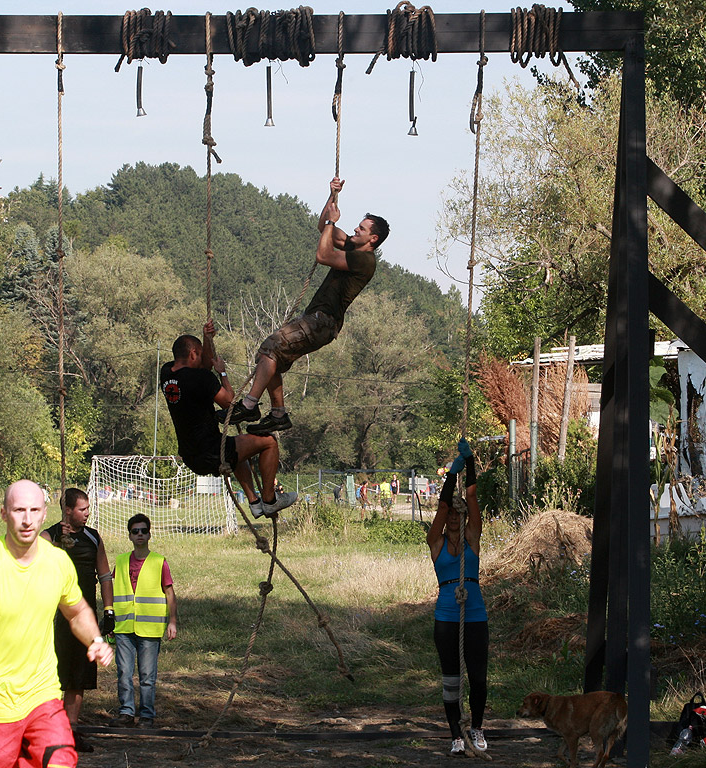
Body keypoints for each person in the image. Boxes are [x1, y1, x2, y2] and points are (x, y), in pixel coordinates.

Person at [0, 480, 113, 768]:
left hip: (43, 696)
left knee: (61, 762)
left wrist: (96, 641)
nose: (27, 519)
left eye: (34, 510)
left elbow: (76, 612)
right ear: (3, 514)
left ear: (44, 512)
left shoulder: (57, 562)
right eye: (18, 510)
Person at [226, 177, 389, 435]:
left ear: (373, 238)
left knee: (270, 347)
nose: (355, 230)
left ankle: (249, 404)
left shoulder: (364, 260)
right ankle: (278, 415)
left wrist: (334, 222)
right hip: (318, 320)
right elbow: (321, 226)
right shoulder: (352, 248)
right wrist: (331, 196)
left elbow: (322, 255)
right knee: (270, 360)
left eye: (361, 229)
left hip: (323, 321)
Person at [160, 322, 297, 518]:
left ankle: (254, 503)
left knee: (237, 452)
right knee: (269, 442)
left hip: (190, 456)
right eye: (199, 354)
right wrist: (222, 372)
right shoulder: (202, 379)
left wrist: (207, 339)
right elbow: (229, 402)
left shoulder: (166, 373)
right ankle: (270, 500)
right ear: (193, 354)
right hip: (213, 451)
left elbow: (202, 367)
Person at [426, 439, 489, 756]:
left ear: (463, 517)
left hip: (475, 615)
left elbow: (473, 497)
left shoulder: (473, 541)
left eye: (457, 513)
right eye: (449, 513)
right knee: (451, 680)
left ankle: (476, 729)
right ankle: (455, 735)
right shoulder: (435, 544)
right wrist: (452, 473)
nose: (452, 517)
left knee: (478, 678)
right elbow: (440, 507)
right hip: (446, 618)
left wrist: (472, 463)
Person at [41, 488, 115, 752]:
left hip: (84, 616)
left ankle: (70, 732)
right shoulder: (49, 536)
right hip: (54, 618)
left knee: (79, 676)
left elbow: (105, 576)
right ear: (68, 510)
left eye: (87, 509)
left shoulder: (93, 538)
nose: (87, 514)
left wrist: (108, 611)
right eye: (82, 509)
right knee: (52, 676)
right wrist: (55, 542)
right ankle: (47, 731)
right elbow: (31, 561)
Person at [110, 514, 176, 728]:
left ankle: (147, 715)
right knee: (124, 673)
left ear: (149, 534)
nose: (140, 534)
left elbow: (169, 592)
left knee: (147, 675)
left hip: (150, 628)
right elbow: (111, 590)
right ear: (129, 535)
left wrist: (172, 621)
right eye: (135, 531)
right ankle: (126, 712)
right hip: (124, 626)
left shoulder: (159, 561)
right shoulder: (120, 561)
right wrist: (110, 618)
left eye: (143, 531)